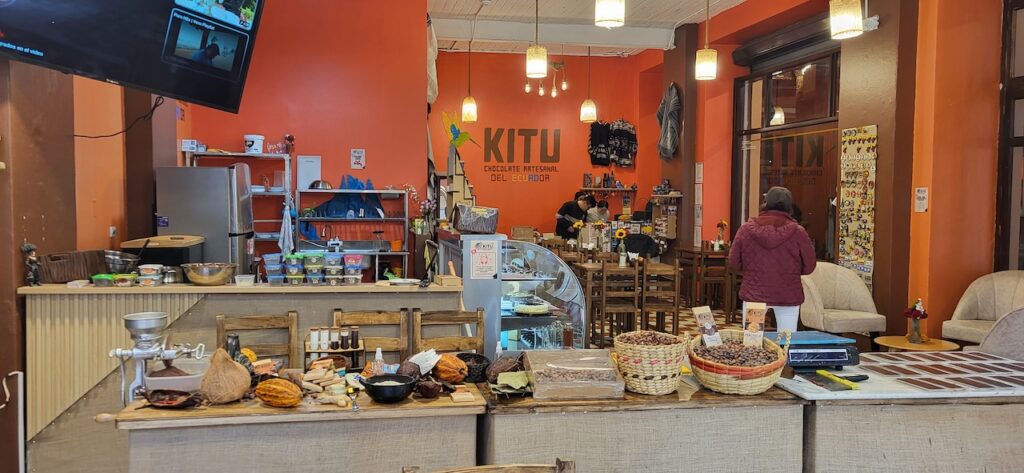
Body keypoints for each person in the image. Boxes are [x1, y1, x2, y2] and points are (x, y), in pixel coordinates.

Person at [728, 186, 816, 333]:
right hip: (788, 294)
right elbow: (810, 266)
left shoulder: (746, 230)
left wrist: (750, 269)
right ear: (789, 206)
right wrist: (792, 270)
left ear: (765, 203)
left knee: (752, 340)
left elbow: (733, 263)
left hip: (754, 294)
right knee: (786, 340)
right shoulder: (798, 232)